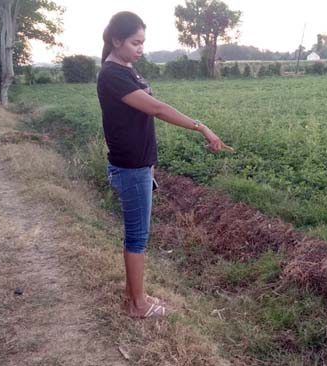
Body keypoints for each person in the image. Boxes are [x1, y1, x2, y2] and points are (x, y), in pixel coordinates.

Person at [97, 11, 232, 318]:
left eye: (143, 42)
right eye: (134, 42)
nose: (140, 49)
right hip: (130, 167)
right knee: (137, 237)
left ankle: (132, 296)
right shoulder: (112, 75)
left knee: (136, 234)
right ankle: (138, 305)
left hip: (139, 165)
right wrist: (201, 127)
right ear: (117, 41)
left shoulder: (126, 70)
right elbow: (156, 108)